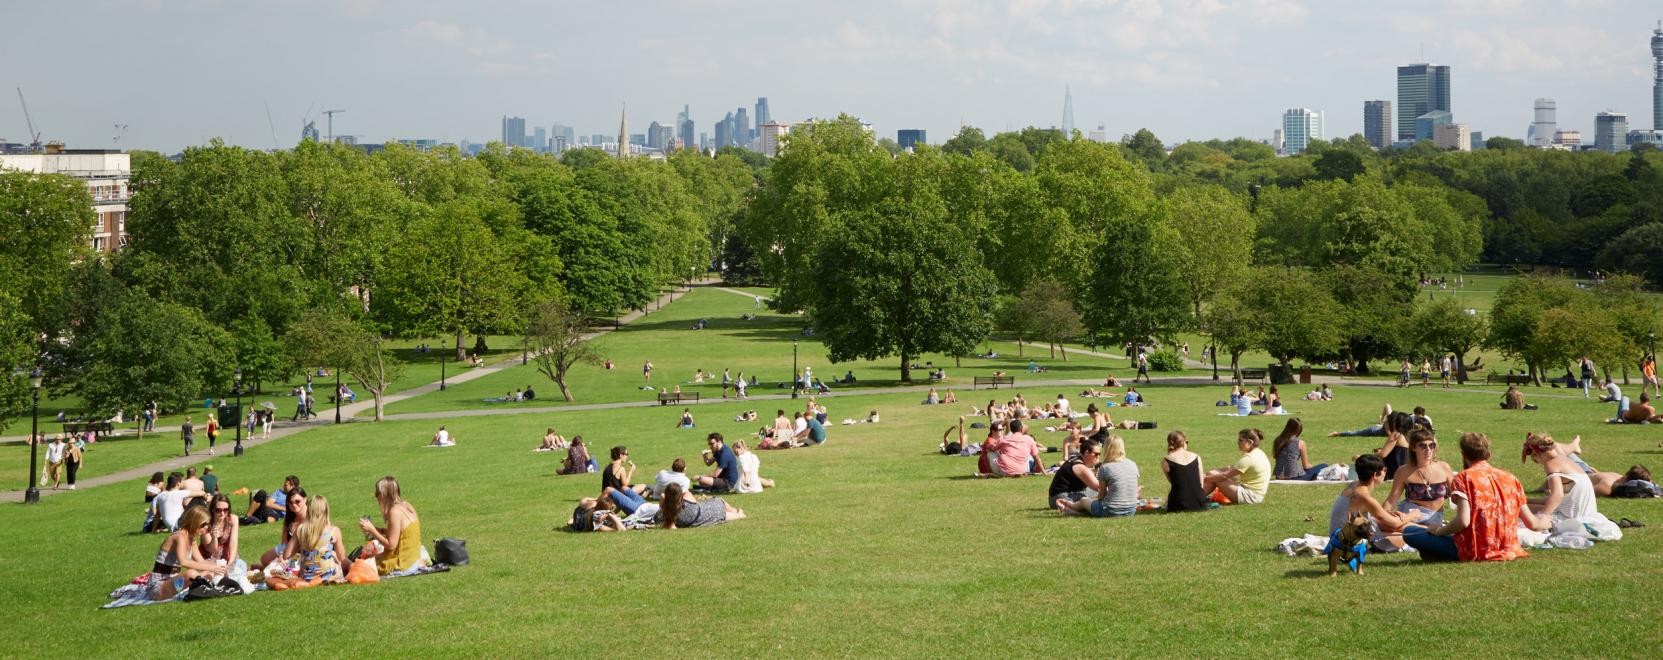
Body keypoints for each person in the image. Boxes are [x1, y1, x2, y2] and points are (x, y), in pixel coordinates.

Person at [1402, 432, 1549, 562]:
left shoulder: (1464, 478)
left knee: (1410, 533)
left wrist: (1439, 531)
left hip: (1475, 549)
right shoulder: (1510, 478)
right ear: (1488, 455)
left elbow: (1463, 521)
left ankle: (1436, 553)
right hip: (1508, 547)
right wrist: (1548, 522)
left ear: (1464, 455)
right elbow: (1533, 524)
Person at [1522, 433, 1620, 539]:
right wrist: (1528, 500)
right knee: (1525, 506)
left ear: (1537, 454)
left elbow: (1557, 495)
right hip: (1586, 515)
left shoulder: (1551, 464)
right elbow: (1564, 497)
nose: (1539, 463)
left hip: (1571, 519)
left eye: (1536, 460)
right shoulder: (1566, 460)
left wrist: (1543, 517)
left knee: (1519, 510)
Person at [1328, 454, 1422, 542]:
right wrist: (1413, 514)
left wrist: (1388, 513)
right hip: (1348, 541)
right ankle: (1429, 531)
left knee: (1398, 527)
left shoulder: (1353, 486)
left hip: (1343, 535)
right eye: (1384, 470)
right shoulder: (1363, 496)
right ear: (1375, 475)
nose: (1386, 472)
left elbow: (1370, 510)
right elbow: (1394, 523)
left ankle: (1429, 530)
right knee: (1409, 539)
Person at [144, 505, 226, 601]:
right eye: (203, 524)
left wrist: (220, 567)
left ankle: (202, 587)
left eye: (208, 524)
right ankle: (202, 588)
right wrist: (211, 567)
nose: (206, 528)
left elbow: (201, 562)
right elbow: (184, 562)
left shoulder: (192, 540)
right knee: (191, 574)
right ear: (194, 521)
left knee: (209, 571)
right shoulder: (179, 537)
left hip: (174, 582)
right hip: (158, 587)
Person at [1385, 429, 1454, 527]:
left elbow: (1457, 497)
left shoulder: (1444, 467)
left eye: (1431, 445)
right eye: (1422, 446)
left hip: (1435, 519)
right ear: (1413, 447)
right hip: (1411, 518)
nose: (1428, 450)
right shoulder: (1404, 471)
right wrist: (1381, 516)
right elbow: (1392, 499)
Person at [358, 476, 426, 575]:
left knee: (358, 565)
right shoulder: (407, 505)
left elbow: (391, 545)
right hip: (413, 560)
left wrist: (373, 531)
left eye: (377, 493)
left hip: (401, 564)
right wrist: (380, 530)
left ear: (384, 494)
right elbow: (402, 533)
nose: (376, 496)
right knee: (370, 557)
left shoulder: (394, 512)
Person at [284, 495, 346, 583]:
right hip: (328, 577)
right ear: (326, 510)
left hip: (306, 578)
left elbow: (286, 555)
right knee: (334, 556)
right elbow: (342, 557)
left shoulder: (301, 529)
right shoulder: (334, 531)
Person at [1203, 429, 1270, 505]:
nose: (1237, 442)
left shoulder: (1249, 458)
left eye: (1240, 440)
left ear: (1250, 442)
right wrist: (1208, 474)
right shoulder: (1258, 452)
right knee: (1213, 474)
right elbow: (1231, 468)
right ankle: (1197, 497)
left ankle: (1196, 498)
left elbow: (1224, 476)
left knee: (1213, 475)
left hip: (1251, 496)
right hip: (1255, 495)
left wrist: (1204, 478)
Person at [255, 486, 307, 569]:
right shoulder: (289, 517)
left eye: (297, 501)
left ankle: (269, 568)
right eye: (290, 502)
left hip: (304, 552)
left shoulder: (311, 517)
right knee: (264, 559)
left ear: (305, 499)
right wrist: (282, 554)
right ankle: (268, 567)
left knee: (289, 567)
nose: (294, 505)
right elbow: (284, 542)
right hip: (288, 548)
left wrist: (288, 556)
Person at [658, 482, 746, 529]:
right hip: (709, 511)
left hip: (705, 516)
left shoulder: (668, 513)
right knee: (720, 502)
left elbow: (663, 500)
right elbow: (688, 494)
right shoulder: (687, 503)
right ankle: (739, 512)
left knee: (722, 512)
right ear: (679, 495)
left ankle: (738, 513)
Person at [1048, 437, 1103, 510]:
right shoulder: (1079, 466)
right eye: (1096, 454)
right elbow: (1099, 487)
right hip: (1060, 498)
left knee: (1096, 493)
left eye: (1099, 454)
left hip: (1056, 497)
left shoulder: (1075, 459)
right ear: (1086, 452)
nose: (1098, 457)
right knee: (1100, 493)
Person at [1161, 431, 1208, 513]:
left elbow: (1174, 482)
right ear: (1184, 442)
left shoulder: (1165, 460)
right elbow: (1201, 483)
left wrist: (1169, 454)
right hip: (1199, 503)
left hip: (1177, 504)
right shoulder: (1197, 457)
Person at [602, 445, 650, 513]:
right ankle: (642, 497)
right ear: (621, 455)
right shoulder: (620, 469)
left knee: (641, 486)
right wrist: (631, 471)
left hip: (606, 496)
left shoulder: (607, 467)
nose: (627, 456)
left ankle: (642, 495)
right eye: (626, 454)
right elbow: (625, 485)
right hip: (616, 496)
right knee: (643, 486)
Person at [199, 493, 240, 565]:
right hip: (209, 558)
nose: (222, 513)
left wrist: (230, 562)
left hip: (227, 555)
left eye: (225, 510)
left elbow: (233, 543)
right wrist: (214, 538)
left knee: (239, 568)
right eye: (218, 510)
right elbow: (211, 550)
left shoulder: (233, 519)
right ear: (212, 509)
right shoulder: (206, 523)